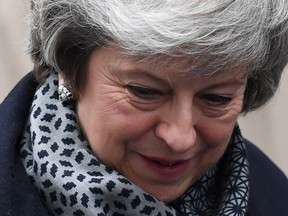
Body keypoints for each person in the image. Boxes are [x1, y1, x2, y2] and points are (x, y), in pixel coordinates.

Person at [1, 0, 288, 215]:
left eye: (217, 98)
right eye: (145, 92)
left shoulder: (275, 198)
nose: (179, 137)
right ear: (69, 70)